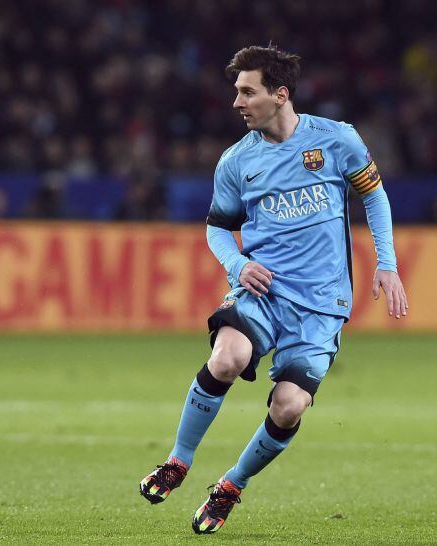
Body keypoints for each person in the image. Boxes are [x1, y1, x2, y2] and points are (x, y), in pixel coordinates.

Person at [139, 45, 408, 535]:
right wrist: (237, 264)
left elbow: (374, 194)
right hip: (263, 293)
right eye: (235, 92)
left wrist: (386, 264)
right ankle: (178, 461)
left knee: (288, 406)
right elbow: (217, 226)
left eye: (247, 91)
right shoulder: (236, 162)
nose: (237, 102)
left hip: (323, 304)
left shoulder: (335, 140)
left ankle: (230, 487)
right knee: (226, 358)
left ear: (280, 94)